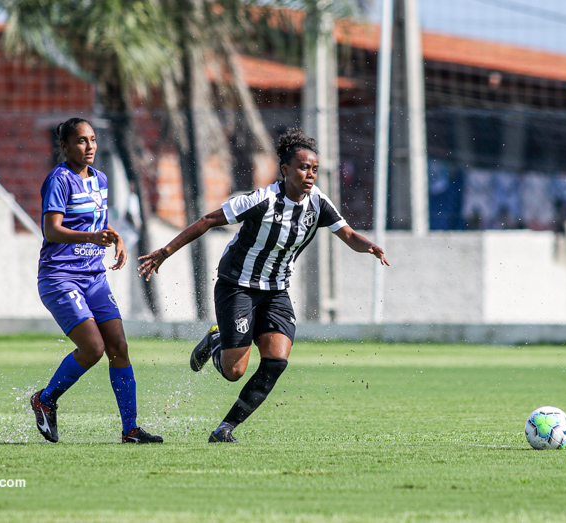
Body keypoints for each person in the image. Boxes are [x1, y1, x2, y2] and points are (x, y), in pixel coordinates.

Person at [137, 128, 389, 443]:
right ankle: (214, 341)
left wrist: (370, 246)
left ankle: (224, 429)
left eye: (313, 168)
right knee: (234, 372)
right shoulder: (262, 200)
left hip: (276, 292)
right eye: (302, 167)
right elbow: (206, 221)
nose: (309, 174)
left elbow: (348, 235)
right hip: (237, 286)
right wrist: (164, 252)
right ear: (285, 170)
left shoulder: (318, 204)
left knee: (276, 361)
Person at [30, 117, 162, 444]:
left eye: (91, 140)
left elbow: (101, 223)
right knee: (92, 348)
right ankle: (44, 400)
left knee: (119, 347)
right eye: (80, 141)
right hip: (60, 278)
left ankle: (130, 430)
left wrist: (115, 240)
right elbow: (51, 230)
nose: (89, 147)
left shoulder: (100, 179)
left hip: (94, 276)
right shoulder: (59, 180)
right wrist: (92, 235)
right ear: (64, 147)